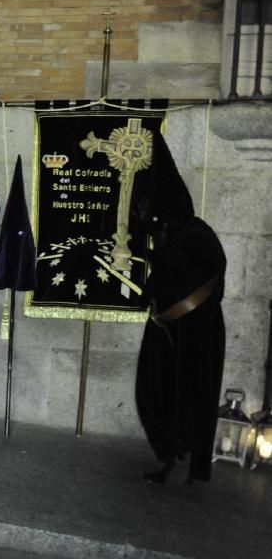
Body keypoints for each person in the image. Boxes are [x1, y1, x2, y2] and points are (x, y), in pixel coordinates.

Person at [133, 134, 226, 485]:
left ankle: (183, 457)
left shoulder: (198, 236)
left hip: (196, 334)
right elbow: (162, 271)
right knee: (154, 391)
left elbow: (204, 280)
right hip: (165, 330)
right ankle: (169, 450)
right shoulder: (171, 235)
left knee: (191, 396)